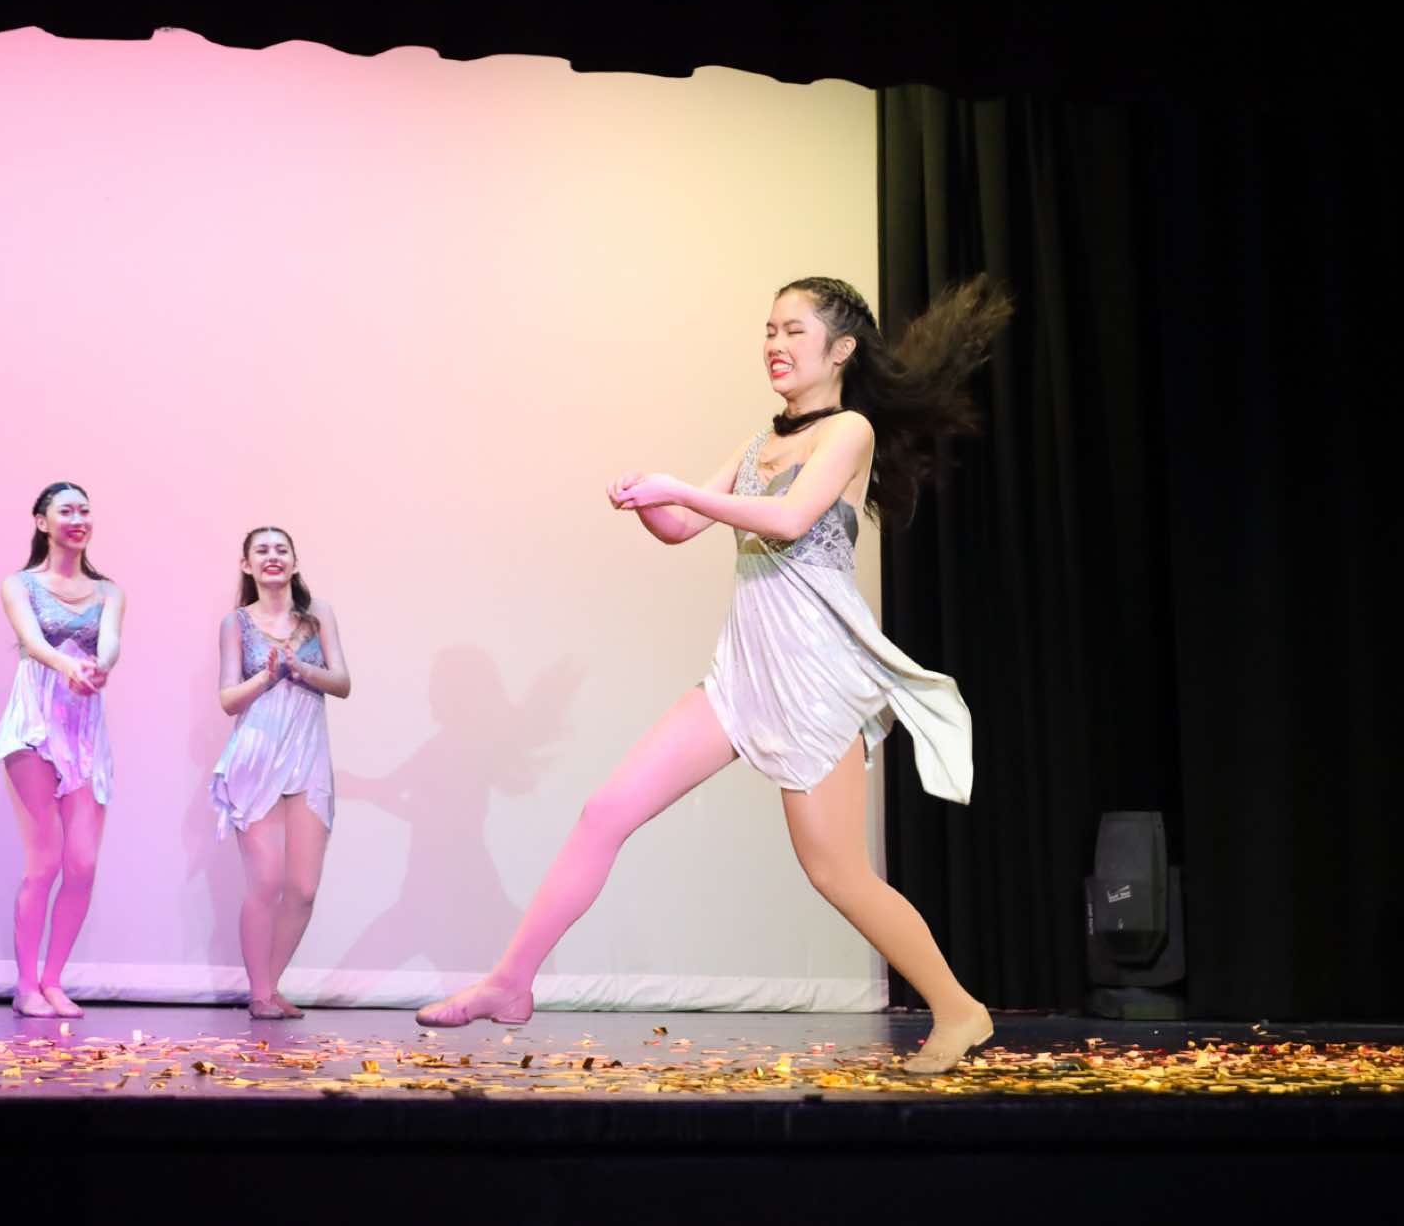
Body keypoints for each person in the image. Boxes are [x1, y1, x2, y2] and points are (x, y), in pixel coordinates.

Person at [417, 276, 1011, 1075]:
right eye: (769, 329)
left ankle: (959, 1007)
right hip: (740, 674)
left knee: (835, 870)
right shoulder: (759, 440)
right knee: (605, 811)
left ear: (840, 349)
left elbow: (789, 518)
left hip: (814, 682)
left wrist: (681, 489)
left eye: (794, 330)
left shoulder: (850, 432)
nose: (775, 344)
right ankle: (510, 980)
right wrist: (648, 499)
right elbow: (683, 525)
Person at [0, 482, 123, 1019]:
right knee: (43, 862)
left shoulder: (109, 591)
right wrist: (69, 666)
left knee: (82, 864)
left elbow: (110, 641)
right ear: (42, 522)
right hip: (35, 727)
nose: (78, 518)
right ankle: (26, 986)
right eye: (67, 510)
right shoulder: (19, 584)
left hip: (84, 733)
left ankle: (53, 979)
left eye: (85, 510)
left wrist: (100, 667)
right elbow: (33, 641)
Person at [210, 527, 350, 1019]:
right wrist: (267, 677)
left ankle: (269, 986)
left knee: (303, 889)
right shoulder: (235, 623)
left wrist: (301, 669)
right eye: (262, 550)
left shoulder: (318, 615)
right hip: (258, 757)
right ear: (246, 565)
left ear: (294, 561)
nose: (273, 557)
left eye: (281, 549)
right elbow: (228, 699)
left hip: (308, 757)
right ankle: (259, 994)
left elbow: (343, 682)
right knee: (266, 882)